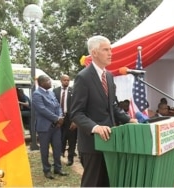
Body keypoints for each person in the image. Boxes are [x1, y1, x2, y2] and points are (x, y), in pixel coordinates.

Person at [70, 35, 138, 187]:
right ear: (94, 53)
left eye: (110, 49)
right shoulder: (83, 77)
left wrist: (128, 119)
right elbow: (76, 113)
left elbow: (112, 107)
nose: (110, 53)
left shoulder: (109, 76)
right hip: (92, 144)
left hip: (110, 141)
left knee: (108, 182)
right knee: (93, 183)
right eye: (105, 49)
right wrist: (95, 127)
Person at [32, 75, 68, 179]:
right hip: (44, 127)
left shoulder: (51, 93)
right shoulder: (37, 94)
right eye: (48, 81)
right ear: (41, 83)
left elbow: (58, 106)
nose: (50, 82)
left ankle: (58, 168)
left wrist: (60, 117)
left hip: (56, 127)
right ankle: (47, 170)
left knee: (57, 148)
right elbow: (42, 109)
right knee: (45, 149)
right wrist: (57, 118)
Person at [53, 74, 77, 166]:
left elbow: (76, 106)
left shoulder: (73, 91)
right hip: (59, 118)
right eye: (65, 80)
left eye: (68, 80)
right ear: (61, 81)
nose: (66, 82)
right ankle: (59, 155)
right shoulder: (55, 91)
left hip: (70, 118)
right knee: (59, 138)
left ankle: (70, 158)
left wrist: (75, 121)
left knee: (72, 139)